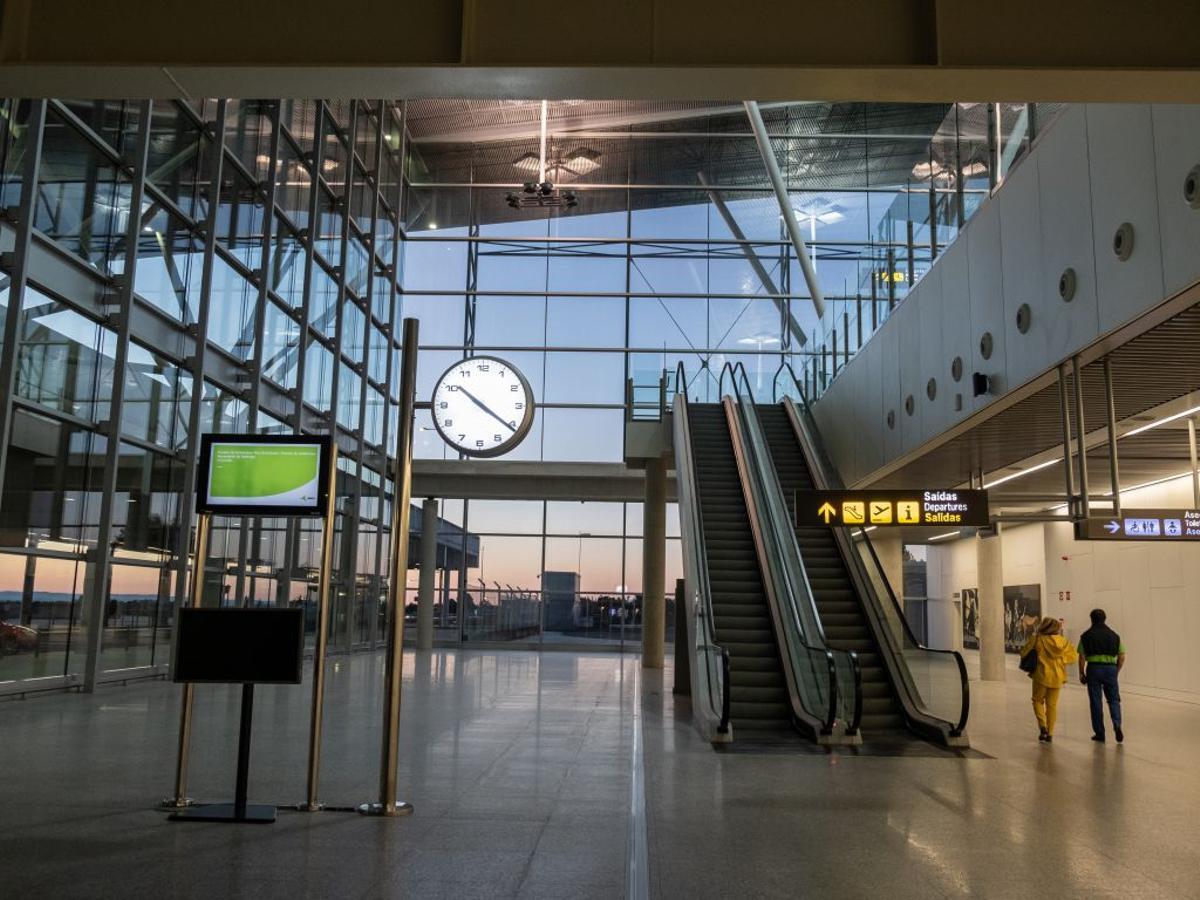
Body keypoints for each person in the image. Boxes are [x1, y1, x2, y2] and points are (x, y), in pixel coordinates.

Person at [1020, 617, 1078, 743]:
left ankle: (1043, 727)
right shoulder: (1063, 641)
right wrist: (1061, 660)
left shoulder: (1037, 639)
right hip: (1057, 677)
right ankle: (1050, 733)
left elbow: (1024, 652)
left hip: (1040, 676)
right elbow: (1073, 656)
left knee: (1037, 700)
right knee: (1052, 706)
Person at [1077, 608, 1126, 743]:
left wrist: (1081, 673)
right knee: (1114, 699)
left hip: (1094, 669)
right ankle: (1117, 724)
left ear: (1091, 619)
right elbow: (1122, 656)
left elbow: (1082, 657)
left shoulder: (1086, 636)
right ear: (1105, 619)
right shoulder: (1114, 636)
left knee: (1095, 701)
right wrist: (1116, 671)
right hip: (1110, 669)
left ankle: (1100, 733)